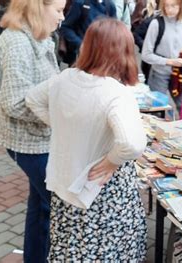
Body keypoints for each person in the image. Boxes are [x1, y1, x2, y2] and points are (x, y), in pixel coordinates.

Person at [26, 18, 148, 261]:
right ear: (122, 51)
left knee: (69, 247)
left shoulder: (65, 77)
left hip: (67, 183)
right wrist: (113, 160)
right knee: (106, 252)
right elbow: (133, 143)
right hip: (102, 191)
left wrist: (62, 125)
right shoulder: (115, 92)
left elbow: (32, 98)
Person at [0, 0, 65, 261]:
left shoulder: (38, 36)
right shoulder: (17, 42)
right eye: (58, 10)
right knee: (59, 205)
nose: (63, 17)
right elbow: (15, 102)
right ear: (38, 7)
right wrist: (59, 116)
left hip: (37, 139)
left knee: (41, 205)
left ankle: (35, 257)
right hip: (26, 142)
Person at [141, 0, 182, 113]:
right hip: (159, 74)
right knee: (157, 111)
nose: (169, 10)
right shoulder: (156, 23)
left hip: (179, 74)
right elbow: (146, 55)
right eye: (166, 6)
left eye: (173, 6)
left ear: (180, 6)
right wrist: (170, 61)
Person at [59, 0, 116, 64]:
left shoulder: (110, 5)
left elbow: (113, 31)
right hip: (83, 54)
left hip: (102, 55)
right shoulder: (81, 3)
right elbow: (65, 27)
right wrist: (80, 44)